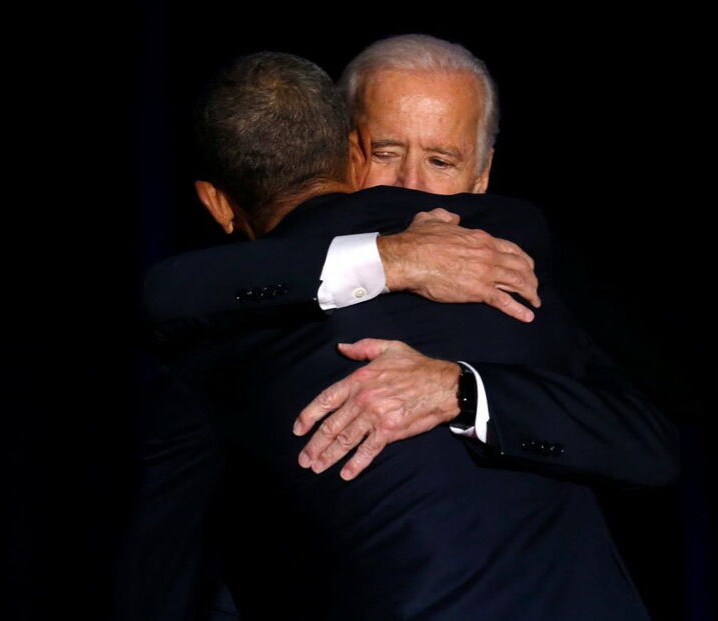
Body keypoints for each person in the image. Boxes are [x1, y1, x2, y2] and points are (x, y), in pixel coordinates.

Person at [146, 50, 676, 620]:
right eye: (386, 153)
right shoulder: (244, 305)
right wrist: (391, 258)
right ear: (347, 152)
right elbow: (176, 292)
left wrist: (462, 391)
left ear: (482, 176)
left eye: (441, 161)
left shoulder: (513, 251)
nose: (410, 183)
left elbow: (647, 444)